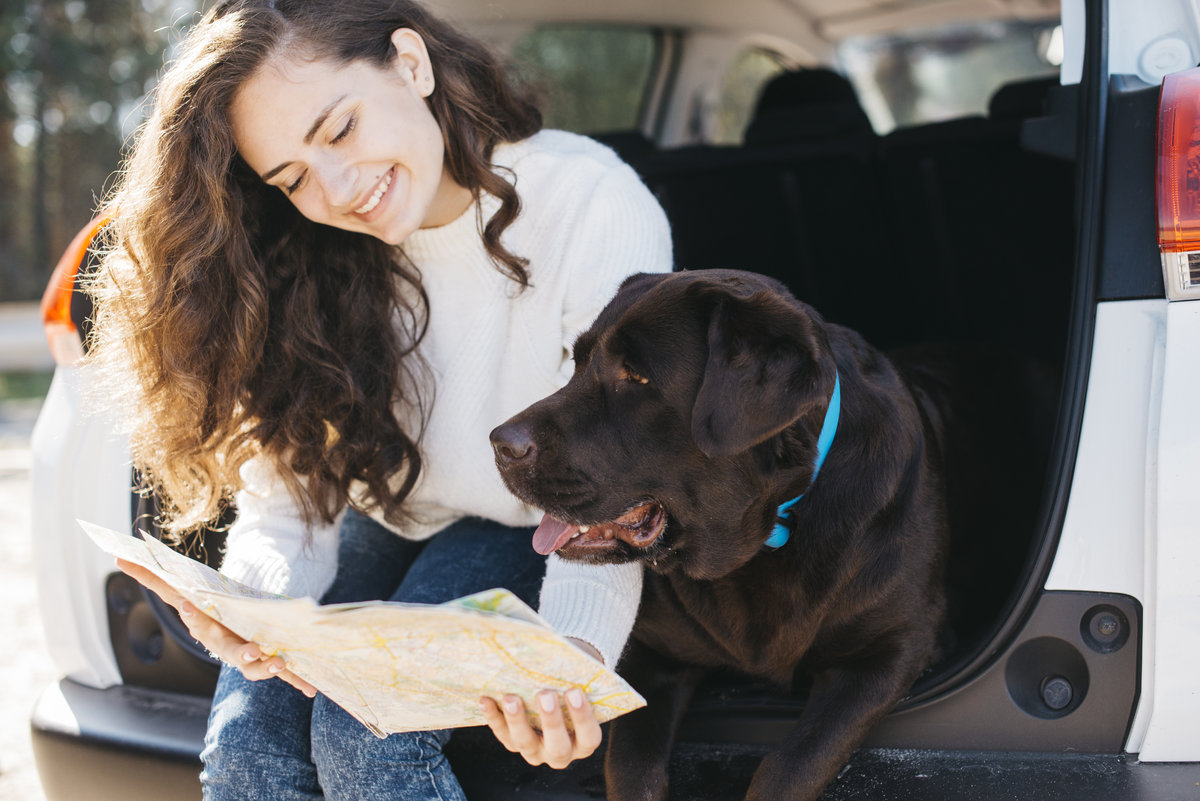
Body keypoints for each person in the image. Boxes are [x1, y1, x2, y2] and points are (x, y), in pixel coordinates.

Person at [86, 0, 672, 798]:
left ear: (411, 63)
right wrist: (248, 608)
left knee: (364, 735)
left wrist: (575, 654)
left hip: (533, 523)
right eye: (290, 177)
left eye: (339, 130)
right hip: (390, 508)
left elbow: (617, 475)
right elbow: (292, 496)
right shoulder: (303, 249)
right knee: (242, 748)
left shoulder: (593, 206)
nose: (335, 188)